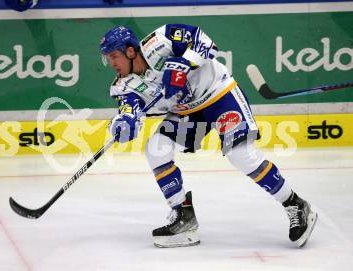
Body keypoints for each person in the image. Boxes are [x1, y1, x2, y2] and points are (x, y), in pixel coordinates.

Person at [99, 24, 317, 248]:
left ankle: (296, 204)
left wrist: (182, 65)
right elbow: (128, 110)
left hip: (219, 94)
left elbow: (206, 42)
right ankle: (183, 216)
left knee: (240, 154)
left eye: (114, 56)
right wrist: (123, 124)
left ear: (131, 51)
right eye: (108, 59)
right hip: (189, 112)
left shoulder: (160, 41)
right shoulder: (123, 86)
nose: (112, 64)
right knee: (156, 148)